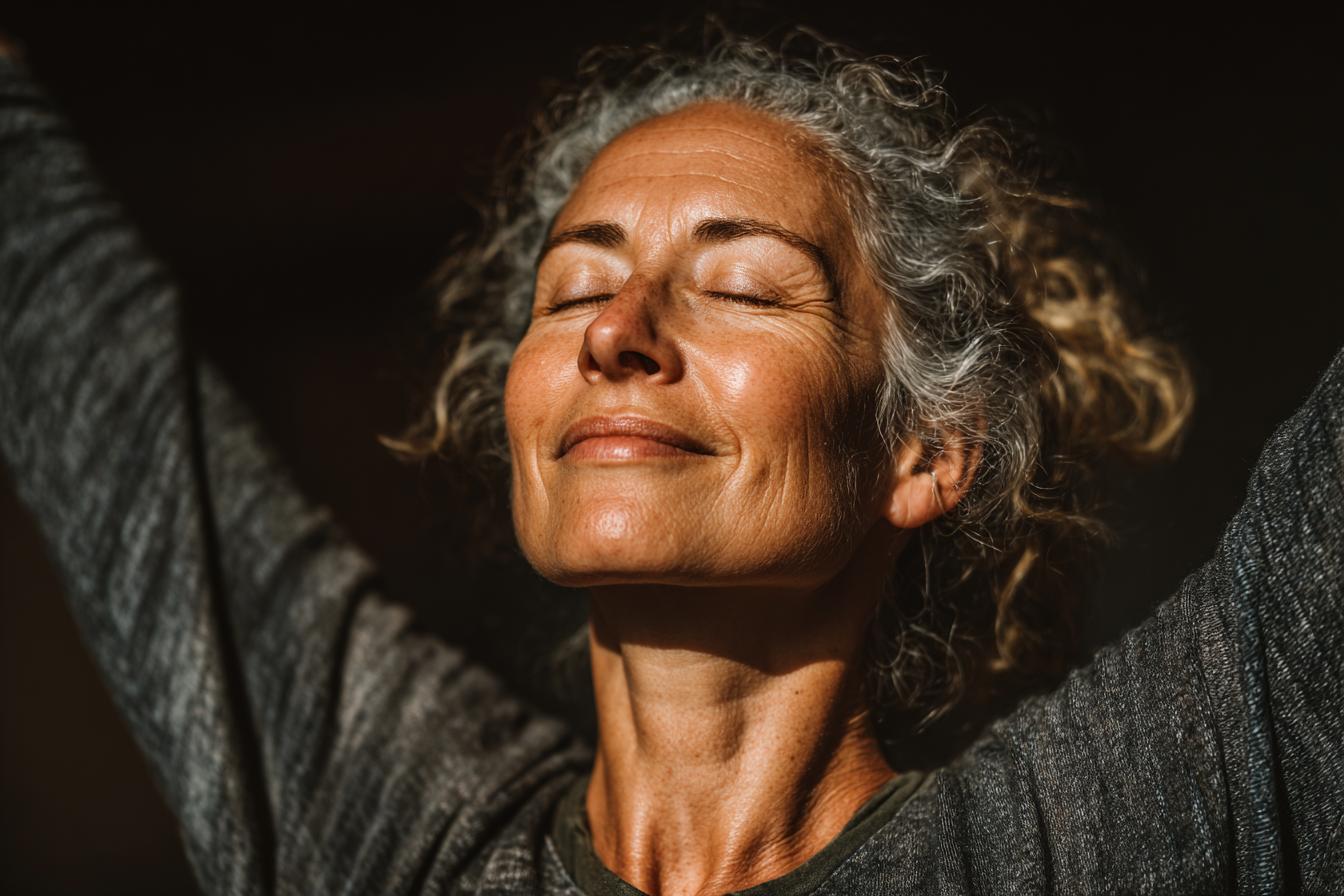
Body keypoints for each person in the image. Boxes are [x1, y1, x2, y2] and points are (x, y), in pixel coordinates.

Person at [1, 27, 1340, 896]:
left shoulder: (1107, 837)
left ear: (927, 448)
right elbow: (56, 307)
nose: (619, 335)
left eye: (746, 289)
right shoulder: (400, 840)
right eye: (573, 294)